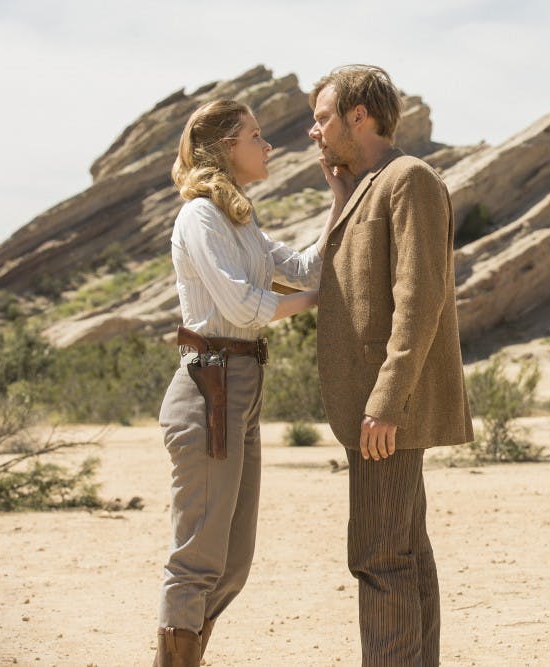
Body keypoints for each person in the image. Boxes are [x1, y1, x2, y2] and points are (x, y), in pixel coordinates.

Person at [154, 99, 349, 666]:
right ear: (223, 148)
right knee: (198, 559)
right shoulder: (199, 217)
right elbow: (242, 306)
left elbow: (306, 270)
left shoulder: (239, 217)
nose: (267, 146)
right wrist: (318, 304)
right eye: (254, 136)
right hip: (209, 388)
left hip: (240, 383)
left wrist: (338, 201)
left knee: (233, 561)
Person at [309, 65, 474, 666]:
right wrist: (340, 196)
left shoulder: (409, 180)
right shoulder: (369, 185)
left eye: (324, 117)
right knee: (403, 552)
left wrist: (384, 403)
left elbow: (419, 299)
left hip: (386, 414)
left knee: (380, 556)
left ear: (360, 116)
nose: (314, 131)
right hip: (377, 411)